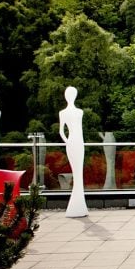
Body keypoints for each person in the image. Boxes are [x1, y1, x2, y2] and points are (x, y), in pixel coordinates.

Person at [60, 86, 88, 218]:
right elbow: (61, 131)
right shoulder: (71, 112)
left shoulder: (78, 112)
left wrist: (68, 141)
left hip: (75, 143)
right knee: (77, 174)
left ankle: (79, 205)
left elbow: (62, 132)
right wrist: (69, 142)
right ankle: (77, 206)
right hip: (76, 142)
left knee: (79, 174)